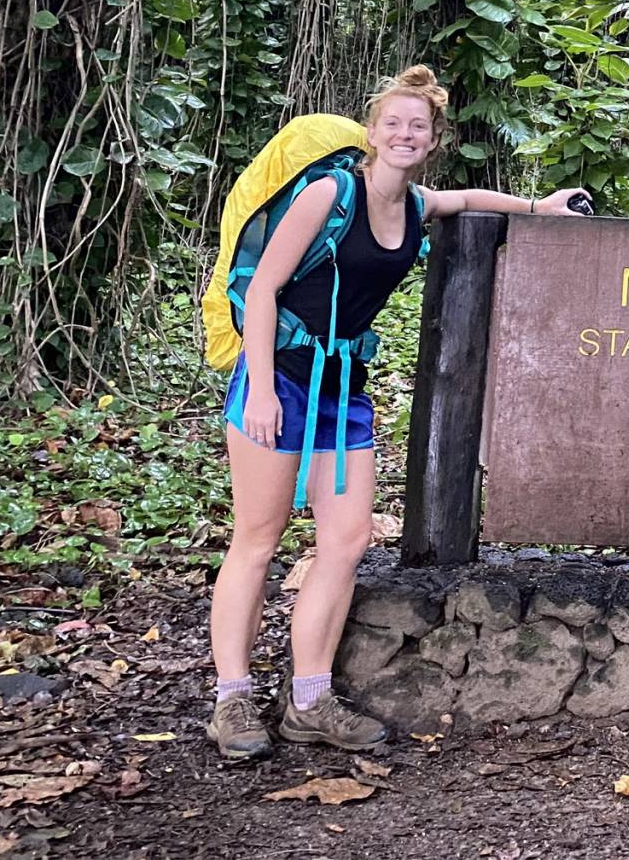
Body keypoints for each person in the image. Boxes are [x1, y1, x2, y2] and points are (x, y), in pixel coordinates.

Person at [206, 66, 587, 760]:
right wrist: (259, 387)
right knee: (257, 539)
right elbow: (262, 290)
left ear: (432, 137)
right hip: (281, 378)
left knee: (346, 542)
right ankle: (232, 697)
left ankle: (309, 699)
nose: (405, 134)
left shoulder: (415, 205)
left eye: (419, 125)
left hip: (342, 387)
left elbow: (467, 197)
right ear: (372, 130)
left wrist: (541, 206)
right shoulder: (331, 192)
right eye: (394, 123)